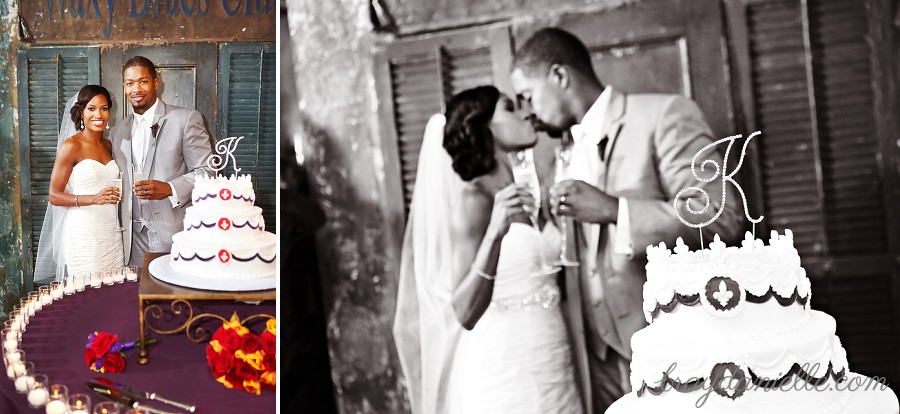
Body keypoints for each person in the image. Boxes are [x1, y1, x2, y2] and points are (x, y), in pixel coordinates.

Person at [510, 28, 743, 412]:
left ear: (560, 76)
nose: (528, 110)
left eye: (529, 95)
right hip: (595, 358)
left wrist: (614, 211)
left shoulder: (664, 114)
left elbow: (720, 215)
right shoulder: (558, 156)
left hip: (670, 342)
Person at [394, 86, 583, 414]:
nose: (525, 113)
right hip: (506, 368)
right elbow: (465, 312)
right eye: (509, 108)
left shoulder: (526, 192)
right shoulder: (475, 202)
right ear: (485, 128)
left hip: (553, 357)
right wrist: (495, 233)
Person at [110, 56, 214, 270]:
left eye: (143, 81)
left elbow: (208, 172)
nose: (136, 89)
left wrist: (169, 188)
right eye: (130, 83)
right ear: (124, 87)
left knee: (176, 301)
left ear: (156, 83)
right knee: (139, 302)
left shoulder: (185, 119)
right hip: (131, 241)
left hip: (174, 233)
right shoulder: (117, 132)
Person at [34, 85, 123, 284]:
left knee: (114, 294)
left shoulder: (108, 145)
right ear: (81, 112)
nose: (98, 114)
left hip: (110, 233)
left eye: (104, 108)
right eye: (91, 109)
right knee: (88, 296)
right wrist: (93, 198)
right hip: (84, 235)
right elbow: (55, 195)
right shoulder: (71, 146)